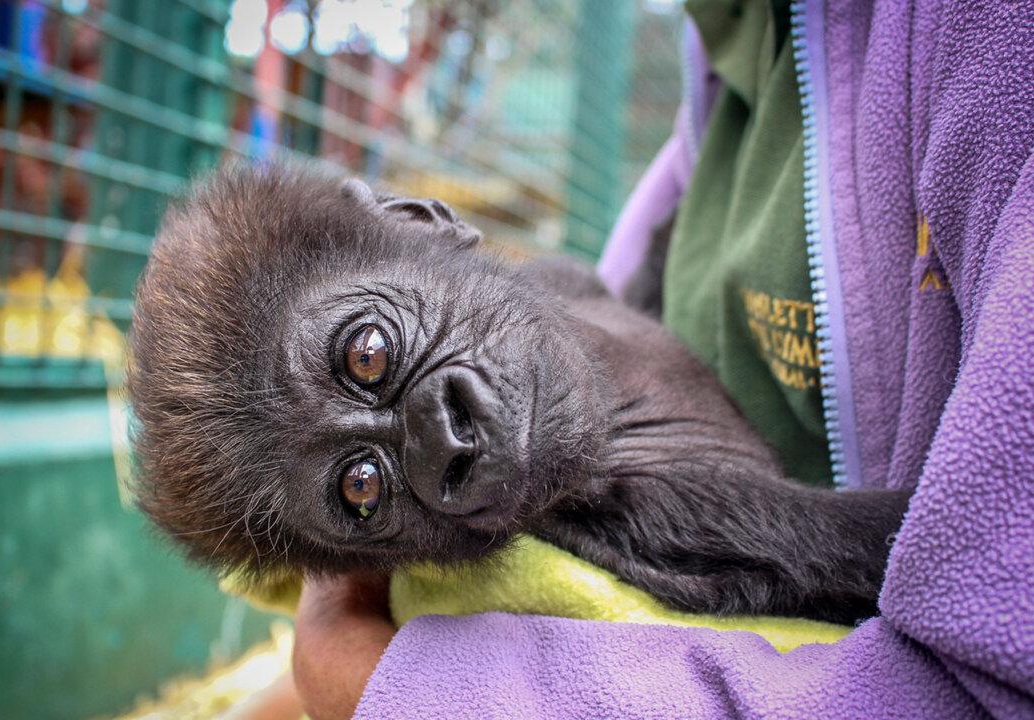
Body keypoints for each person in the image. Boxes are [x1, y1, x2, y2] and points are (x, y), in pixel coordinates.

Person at [291, 1, 1034, 718]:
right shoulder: (726, 57)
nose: (444, 443)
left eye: (368, 350)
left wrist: (392, 696)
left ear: (417, 222)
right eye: (359, 487)